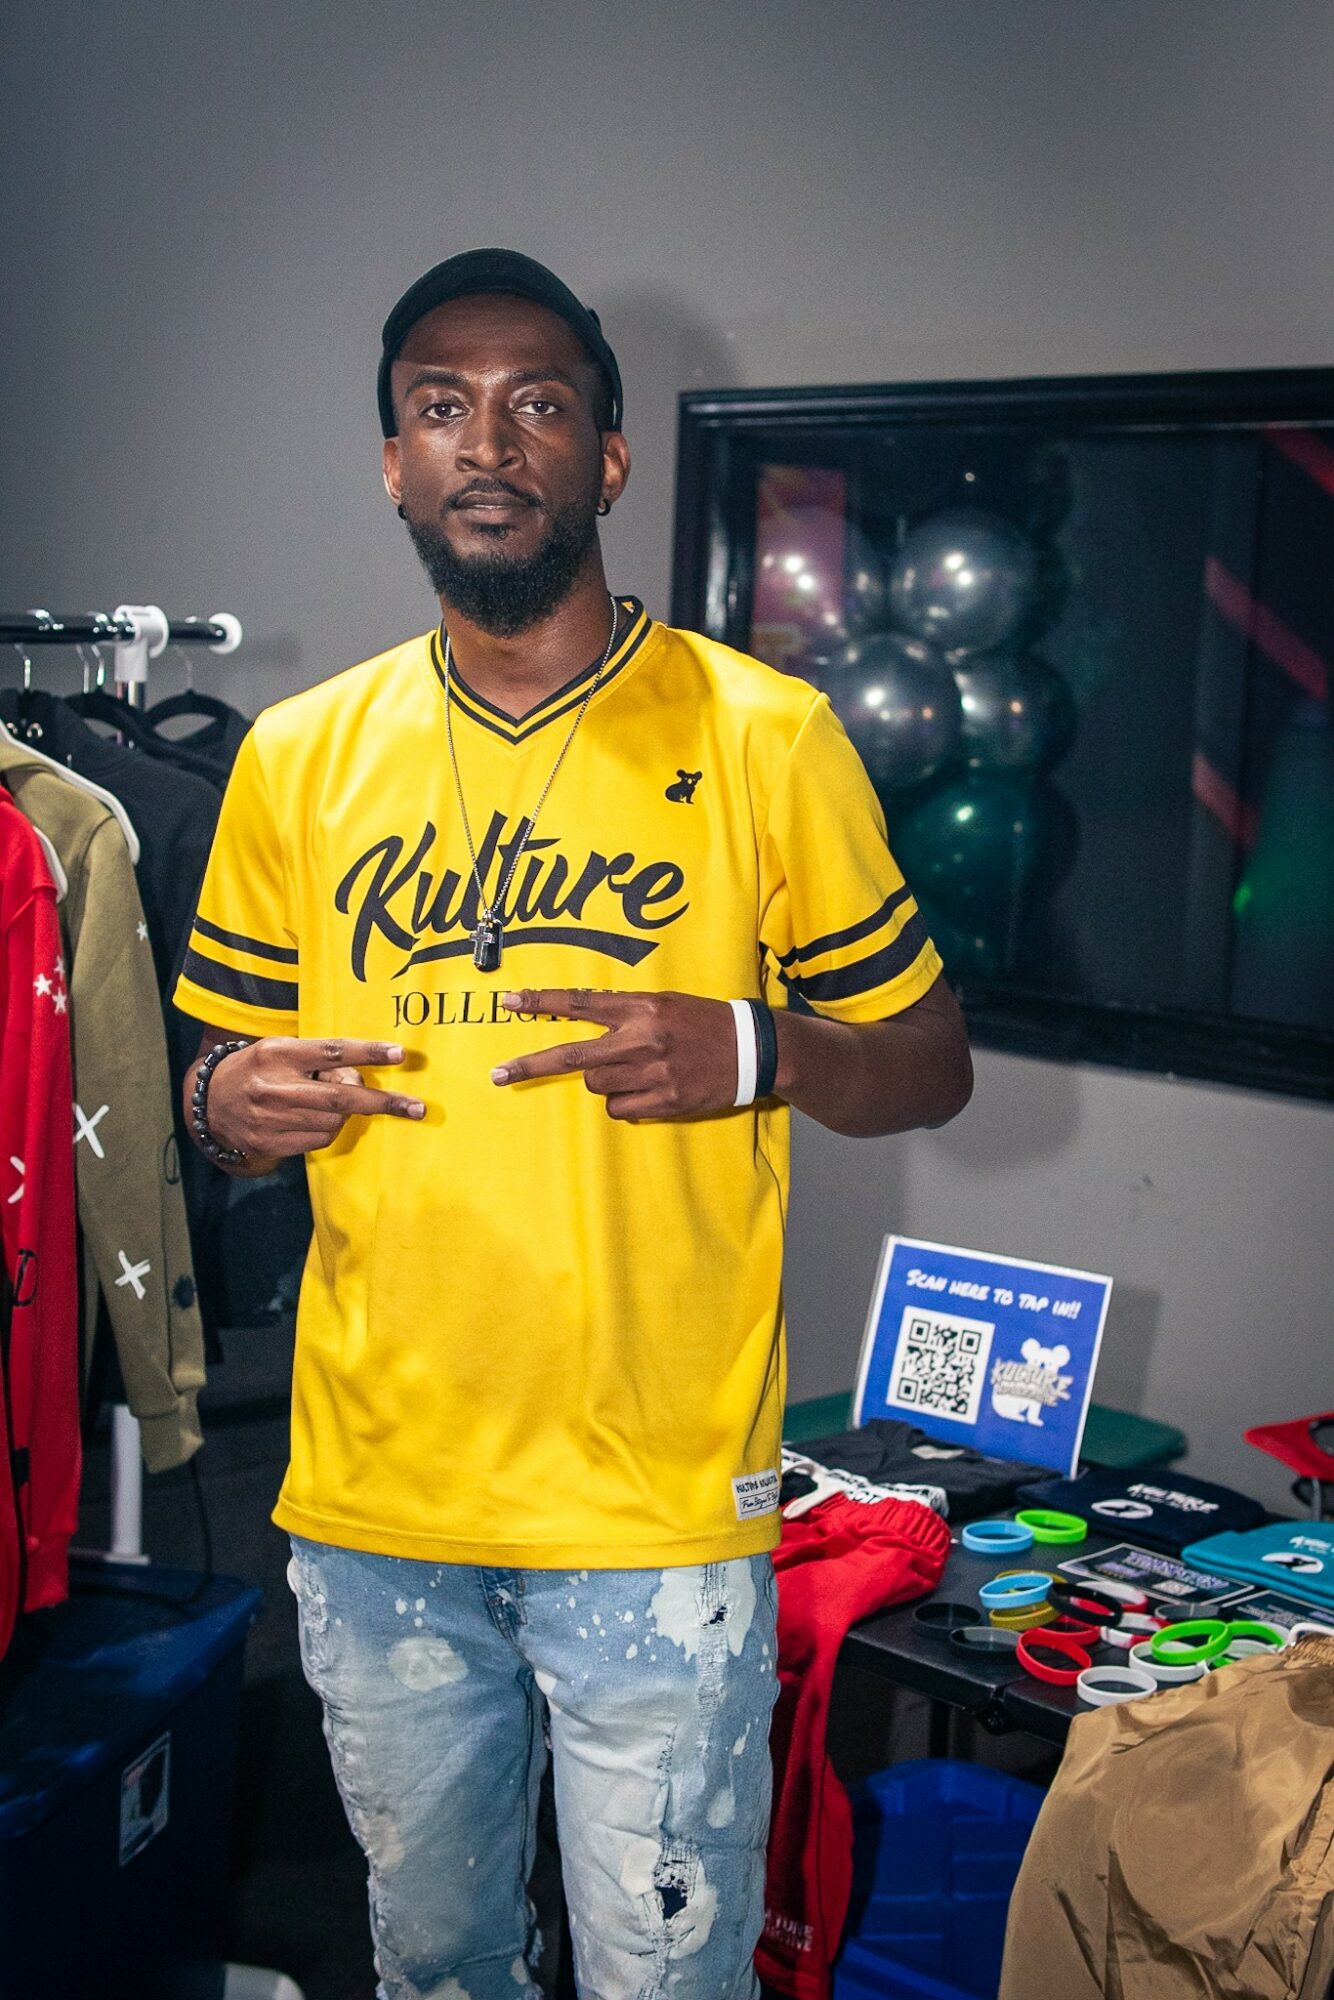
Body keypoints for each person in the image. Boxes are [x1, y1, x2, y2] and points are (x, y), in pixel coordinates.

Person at [175, 248, 972, 2000]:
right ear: (391, 460)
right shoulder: (297, 759)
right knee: (435, 1965)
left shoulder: (764, 736)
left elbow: (924, 1060)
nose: (487, 442)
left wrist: (759, 1048)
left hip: (653, 1507)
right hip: (378, 1502)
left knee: (660, 1983)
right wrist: (226, 1107)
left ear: (606, 454)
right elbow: (222, 1099)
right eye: (438, 408)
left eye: (537, 403)